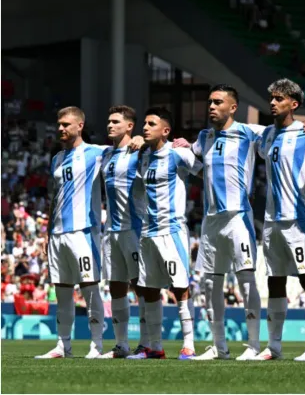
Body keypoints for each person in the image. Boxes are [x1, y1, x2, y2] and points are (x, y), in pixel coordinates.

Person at [172, 85, 305, 361]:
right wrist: (178, 144)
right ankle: (219, 346)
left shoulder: (251, 132)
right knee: (211, 284)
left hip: (239, 216)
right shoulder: (204, 137)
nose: (211, 107)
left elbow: (284, 130)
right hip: (211, 220)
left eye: (218, 102)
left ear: (233, 107)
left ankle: (253, 345)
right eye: (210, 102)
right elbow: (192, 156)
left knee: (247, 281)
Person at [35, 107, 115, 359]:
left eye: (66, 124)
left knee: (90, 288)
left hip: (83, 231)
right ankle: (63, 346)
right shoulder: (57, 159)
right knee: (62, 291)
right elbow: (55, 197)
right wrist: (48, 232)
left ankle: (96, 345)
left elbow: (123, 148)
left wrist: (134, 139)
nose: (61, 129)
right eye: (59, 124)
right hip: (57, 234)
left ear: (80, 125)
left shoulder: (96, 152)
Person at [254, 78, 305, 361]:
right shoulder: (267, 136)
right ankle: (274, 347)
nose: (272, 102)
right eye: (271, 98)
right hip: (272, 219)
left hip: (300, 219)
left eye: (279, 99)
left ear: (293, 104)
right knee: (274, 280)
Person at [127, 108, 203, 360]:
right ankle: (154, 347)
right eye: (144, 123)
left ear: (166, 130)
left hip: (172, 231)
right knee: (148, 288)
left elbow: (204, 170)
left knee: (180, 287)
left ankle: (189, 344)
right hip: (148, 232)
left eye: (151, 124)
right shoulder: (144, 156)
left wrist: (192, 147)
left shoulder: (177, 153)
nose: (145, 127)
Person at [99, 105, 149, 358]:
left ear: (130, 126)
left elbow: (163, 147)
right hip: (111, 231)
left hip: (134, 228)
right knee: (115, 286)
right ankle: (121, 345)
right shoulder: (106, 154)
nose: (110, 125)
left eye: (116, 121)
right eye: (108, 121)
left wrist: (143, 139)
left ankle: (147, 343)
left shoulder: (140, 152)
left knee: (141, 286)